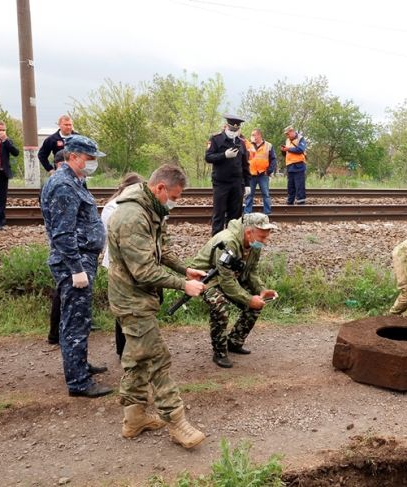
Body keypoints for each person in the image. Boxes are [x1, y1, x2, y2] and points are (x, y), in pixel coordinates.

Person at [107, 164, 207, 448]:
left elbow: (162, 248)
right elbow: (144, 271)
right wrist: (182, 285)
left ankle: (134, 418)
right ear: (159, 188)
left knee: (138, 359)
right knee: (157, 359)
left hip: (140, 297)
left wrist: (185, 269)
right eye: (174, 196)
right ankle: (177, 422)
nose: (175, 201)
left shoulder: (151, 208)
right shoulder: (131, 216)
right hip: (131, 299)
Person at [40, 135, 112, 398]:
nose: (92, 163)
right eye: (89, 158)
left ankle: (79, 364)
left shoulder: (75, 181)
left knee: (79, 319)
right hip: (75, 262)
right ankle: (78, 382)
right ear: (73, 156)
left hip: (82, 259)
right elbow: (62, 233)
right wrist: (76, 269)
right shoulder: (63, 186)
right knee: (74, 322)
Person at [191, 212, 279, 368]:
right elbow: (226, 282)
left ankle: (234, 342)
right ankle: (219, 352)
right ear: (248, 232)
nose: (265, 242)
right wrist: (248, 300)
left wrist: (261, 289)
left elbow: (251, 271)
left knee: (258, 301)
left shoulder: (253, 243)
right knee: (220, 305)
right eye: (262, 238)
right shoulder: (228, 242)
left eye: (267, 237)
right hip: (205, 279)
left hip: (228, 277)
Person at [99, 172, 145, 358]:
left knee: (136, 306)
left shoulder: (135, 206)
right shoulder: (113, 207)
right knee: (124, 309)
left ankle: (135, 347)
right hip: (118, 263)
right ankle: (123, 350)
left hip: (135, 261)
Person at [205, 114, 250, 235]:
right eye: (231, 129)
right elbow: (208, 157)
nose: (233, 132)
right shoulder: (216, 139)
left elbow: (245, 164)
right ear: (227, 126)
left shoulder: (241, 142)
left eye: (236, 129)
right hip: (221, 183)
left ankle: (232, 239)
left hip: (237, 183)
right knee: (219, 213)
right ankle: (217, 241)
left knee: (235, 216)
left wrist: (247, 184)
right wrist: (224, 155)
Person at [46, 149, 68, 346]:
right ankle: (55, 333)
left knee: (63, 291)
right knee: (63, 290)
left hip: (64, 247)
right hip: (64, 249)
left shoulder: (62, 182)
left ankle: (58, 331)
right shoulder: (59, 184)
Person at [243, 128, 277, 215]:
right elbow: (244, 158)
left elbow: (273, 160)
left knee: (266, 194)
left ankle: (267, 213)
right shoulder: (249, 145)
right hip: (251, 174)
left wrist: (269, 171)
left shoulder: (268, 145)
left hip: (263, 174)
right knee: (249, 194)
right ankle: (247, 213)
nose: (252, 136)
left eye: (253, 135)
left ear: (259, 135)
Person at [281, 126, 307, 205]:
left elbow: (300, 150)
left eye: (288, 134)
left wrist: (288, 149)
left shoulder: (301, 139)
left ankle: (301, 203)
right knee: (290, 186)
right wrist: (283, 151)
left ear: (292, 131)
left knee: (299, 185)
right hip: (290, 166)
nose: (287, 136)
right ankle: (290, 202)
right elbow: (286, 154)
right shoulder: (287, 140)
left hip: (299, 165)